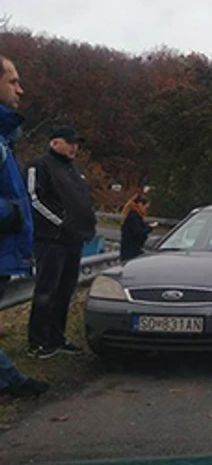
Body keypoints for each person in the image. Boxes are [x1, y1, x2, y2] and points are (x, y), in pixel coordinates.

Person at [0, 55, 49, 396]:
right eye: (13, 80)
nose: (21, 88)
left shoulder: (4, 139)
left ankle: (11, 380)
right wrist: (12, 215)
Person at [26, 126, 97, 359]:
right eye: (71, 142)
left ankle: (57, 338)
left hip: (74, 240)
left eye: (77, 143)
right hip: (51, 240)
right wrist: (61, 223)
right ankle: (38, 342)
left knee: (65, 290)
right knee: (47, 290)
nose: (75, 147)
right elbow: (34, 198)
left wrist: (87, 224)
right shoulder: (40, 165)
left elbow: (82, 200)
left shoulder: (74, 169)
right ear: (55, 143)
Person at [119, 193, 159, 261]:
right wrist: (150, 228)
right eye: (146, 207)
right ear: (140, 204)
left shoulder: (134, 216)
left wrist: (148, 226)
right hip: (131, 252)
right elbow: (138, 233)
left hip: (129, 251)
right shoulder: (134, 217)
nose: (146, 210)